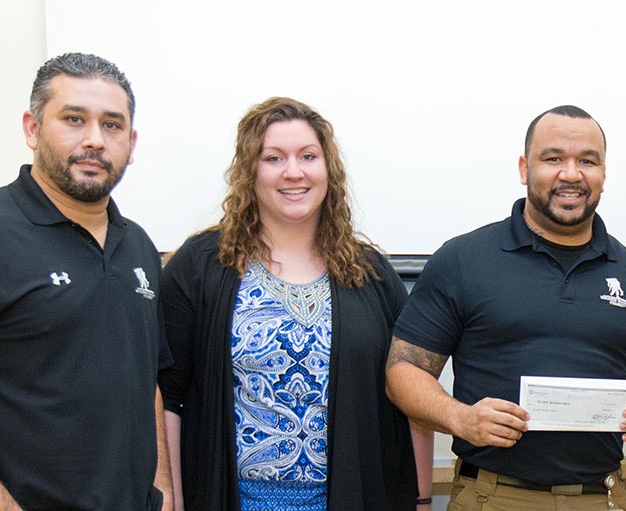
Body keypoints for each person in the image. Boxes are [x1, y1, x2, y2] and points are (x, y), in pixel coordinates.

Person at [384, 105, 626, 511]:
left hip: (603, 498)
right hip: (491, 496)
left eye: (587, 161)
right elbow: (403, 370)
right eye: (554, 158)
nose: (572, 174)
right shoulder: (463, 259)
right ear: (525, 169)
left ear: (604, 175)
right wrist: (461, 418)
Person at [157, 97, 432, 511]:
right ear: (249, 171)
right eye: (273, 158)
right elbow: (169, 399)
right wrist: (171, 502)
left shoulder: (370, 273)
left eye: (308, 156)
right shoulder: (199, 266)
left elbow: (409, 394)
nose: (293, 171)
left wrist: (423, 500)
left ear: (328, 170)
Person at [0, 53, 173, 510]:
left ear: (131, 142)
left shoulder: (138, 246)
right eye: (74, 119)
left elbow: (146, 383)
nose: (95, 140)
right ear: (32, 128)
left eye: (112, 125)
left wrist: (165, 493)